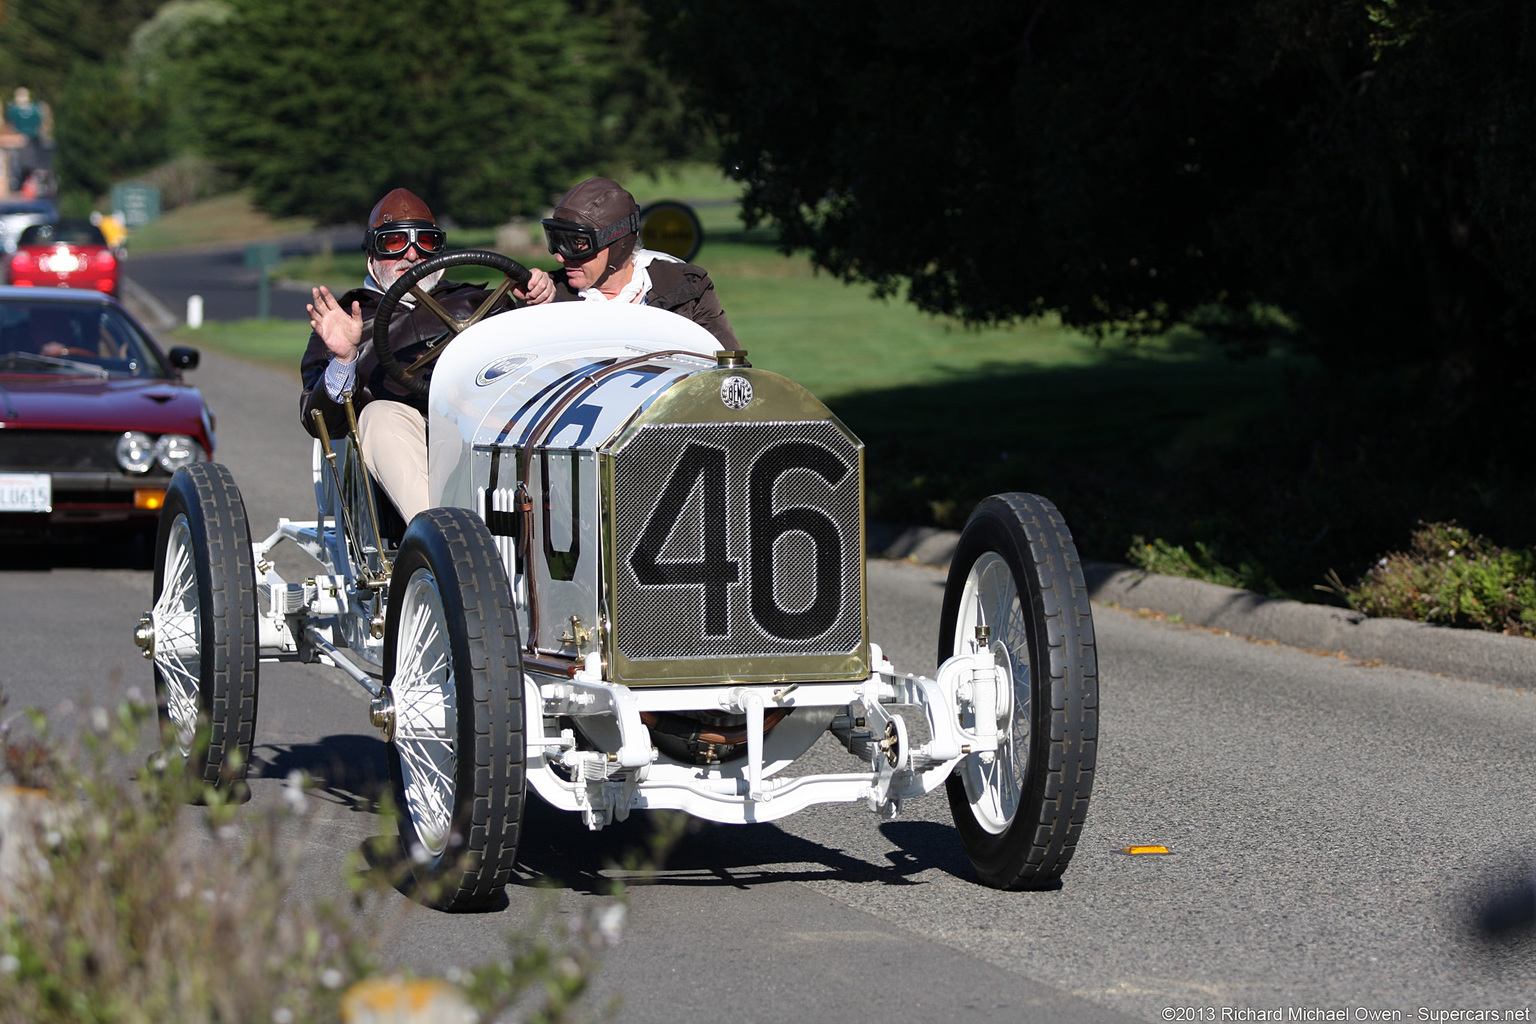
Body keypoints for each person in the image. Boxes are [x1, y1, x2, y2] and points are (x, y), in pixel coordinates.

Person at [300, 187, 554, 521]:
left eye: (427, 243)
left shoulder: (480, 302)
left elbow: (536, 365)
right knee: (378, 416)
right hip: (406, 435)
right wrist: (345, 358)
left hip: (488, 423)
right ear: (371, 256)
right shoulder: (347, 320)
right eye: (393, 243)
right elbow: (321, 423)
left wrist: (537, 304)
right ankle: (445, 542)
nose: (411, 255)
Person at [541, 177, 741, 350]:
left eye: (578, 244)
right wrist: (524, 300)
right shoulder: (546, 298)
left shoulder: (689, 287)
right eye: (558, 242)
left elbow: (731, 373)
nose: (561, 257)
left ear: (617, 243)